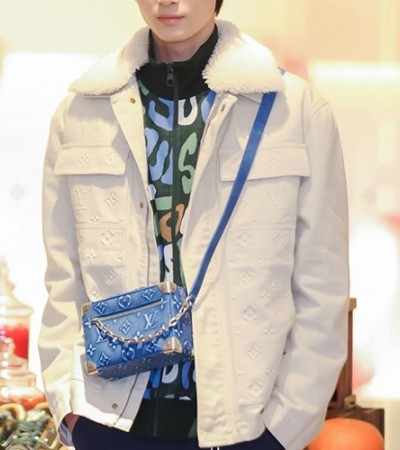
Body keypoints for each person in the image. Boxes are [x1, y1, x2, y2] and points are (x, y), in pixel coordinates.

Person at [38, 0, 350, 449]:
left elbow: (322, 283)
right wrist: (68, 406)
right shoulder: (81, 113)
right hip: (107, 419)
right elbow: (63, 274)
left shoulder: (294, 110)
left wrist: (286, 427)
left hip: (244, 425)